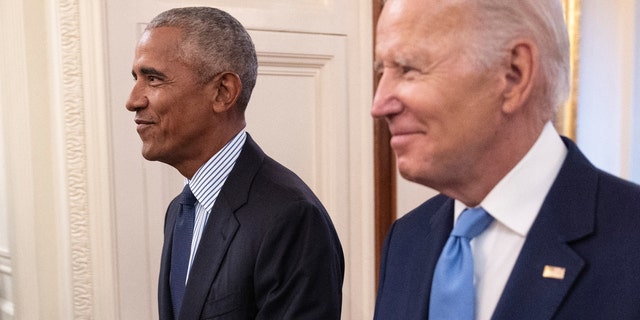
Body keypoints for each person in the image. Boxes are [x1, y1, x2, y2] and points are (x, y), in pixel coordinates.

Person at [372, 0, 640, 319]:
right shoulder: (408, 239)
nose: (380, 104)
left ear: (513, 74)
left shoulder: (630, 241)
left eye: (408, 68)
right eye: (382, 71)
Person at [126, 7, 344, 320]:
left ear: (223, 92)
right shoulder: (181, 210)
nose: (133, 100)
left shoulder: (291, 215)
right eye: (136, 78)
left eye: (153, 78)